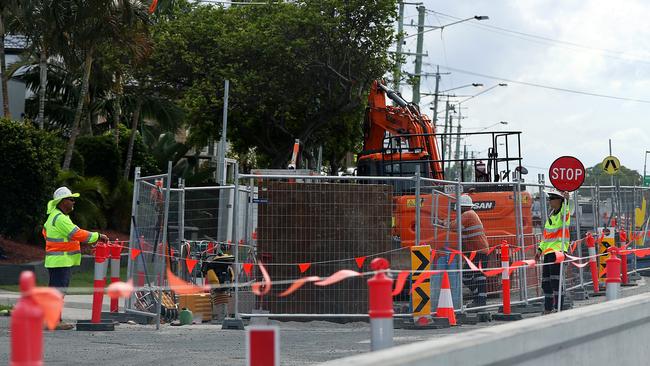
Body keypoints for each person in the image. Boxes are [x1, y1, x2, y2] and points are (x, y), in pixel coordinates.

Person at [42, 186, 108, 329]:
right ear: (62, 201)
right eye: (71, 199)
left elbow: (51, 235)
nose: (73, 202)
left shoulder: (56, 217)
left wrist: (79, 245)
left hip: (57, 261)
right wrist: (97, 236)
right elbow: (77, 234)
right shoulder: (60, 218)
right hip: (60, 261)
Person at [436, 194, 490, 308]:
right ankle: (479, 300)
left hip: (478, 252)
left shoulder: (468, 214)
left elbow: (454, 226)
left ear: (462, 207)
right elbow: (457, 226)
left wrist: (442, 223)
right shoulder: (468, 215)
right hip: (476, 252)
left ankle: (480, 301)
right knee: (475, 276)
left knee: (474, 276)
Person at [535, 188, 570, 314]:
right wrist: (539, 250)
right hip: (548, 253)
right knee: (546, 283)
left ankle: (558, 308)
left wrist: (567, 201)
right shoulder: (551, 216)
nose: (550, 201)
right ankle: (548, 308)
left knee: (555, 282)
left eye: (552, 199)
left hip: (558, 253)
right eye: (549, 198)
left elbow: (565, 212)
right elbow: (546, 237)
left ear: (559, 201)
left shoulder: (562, 215)